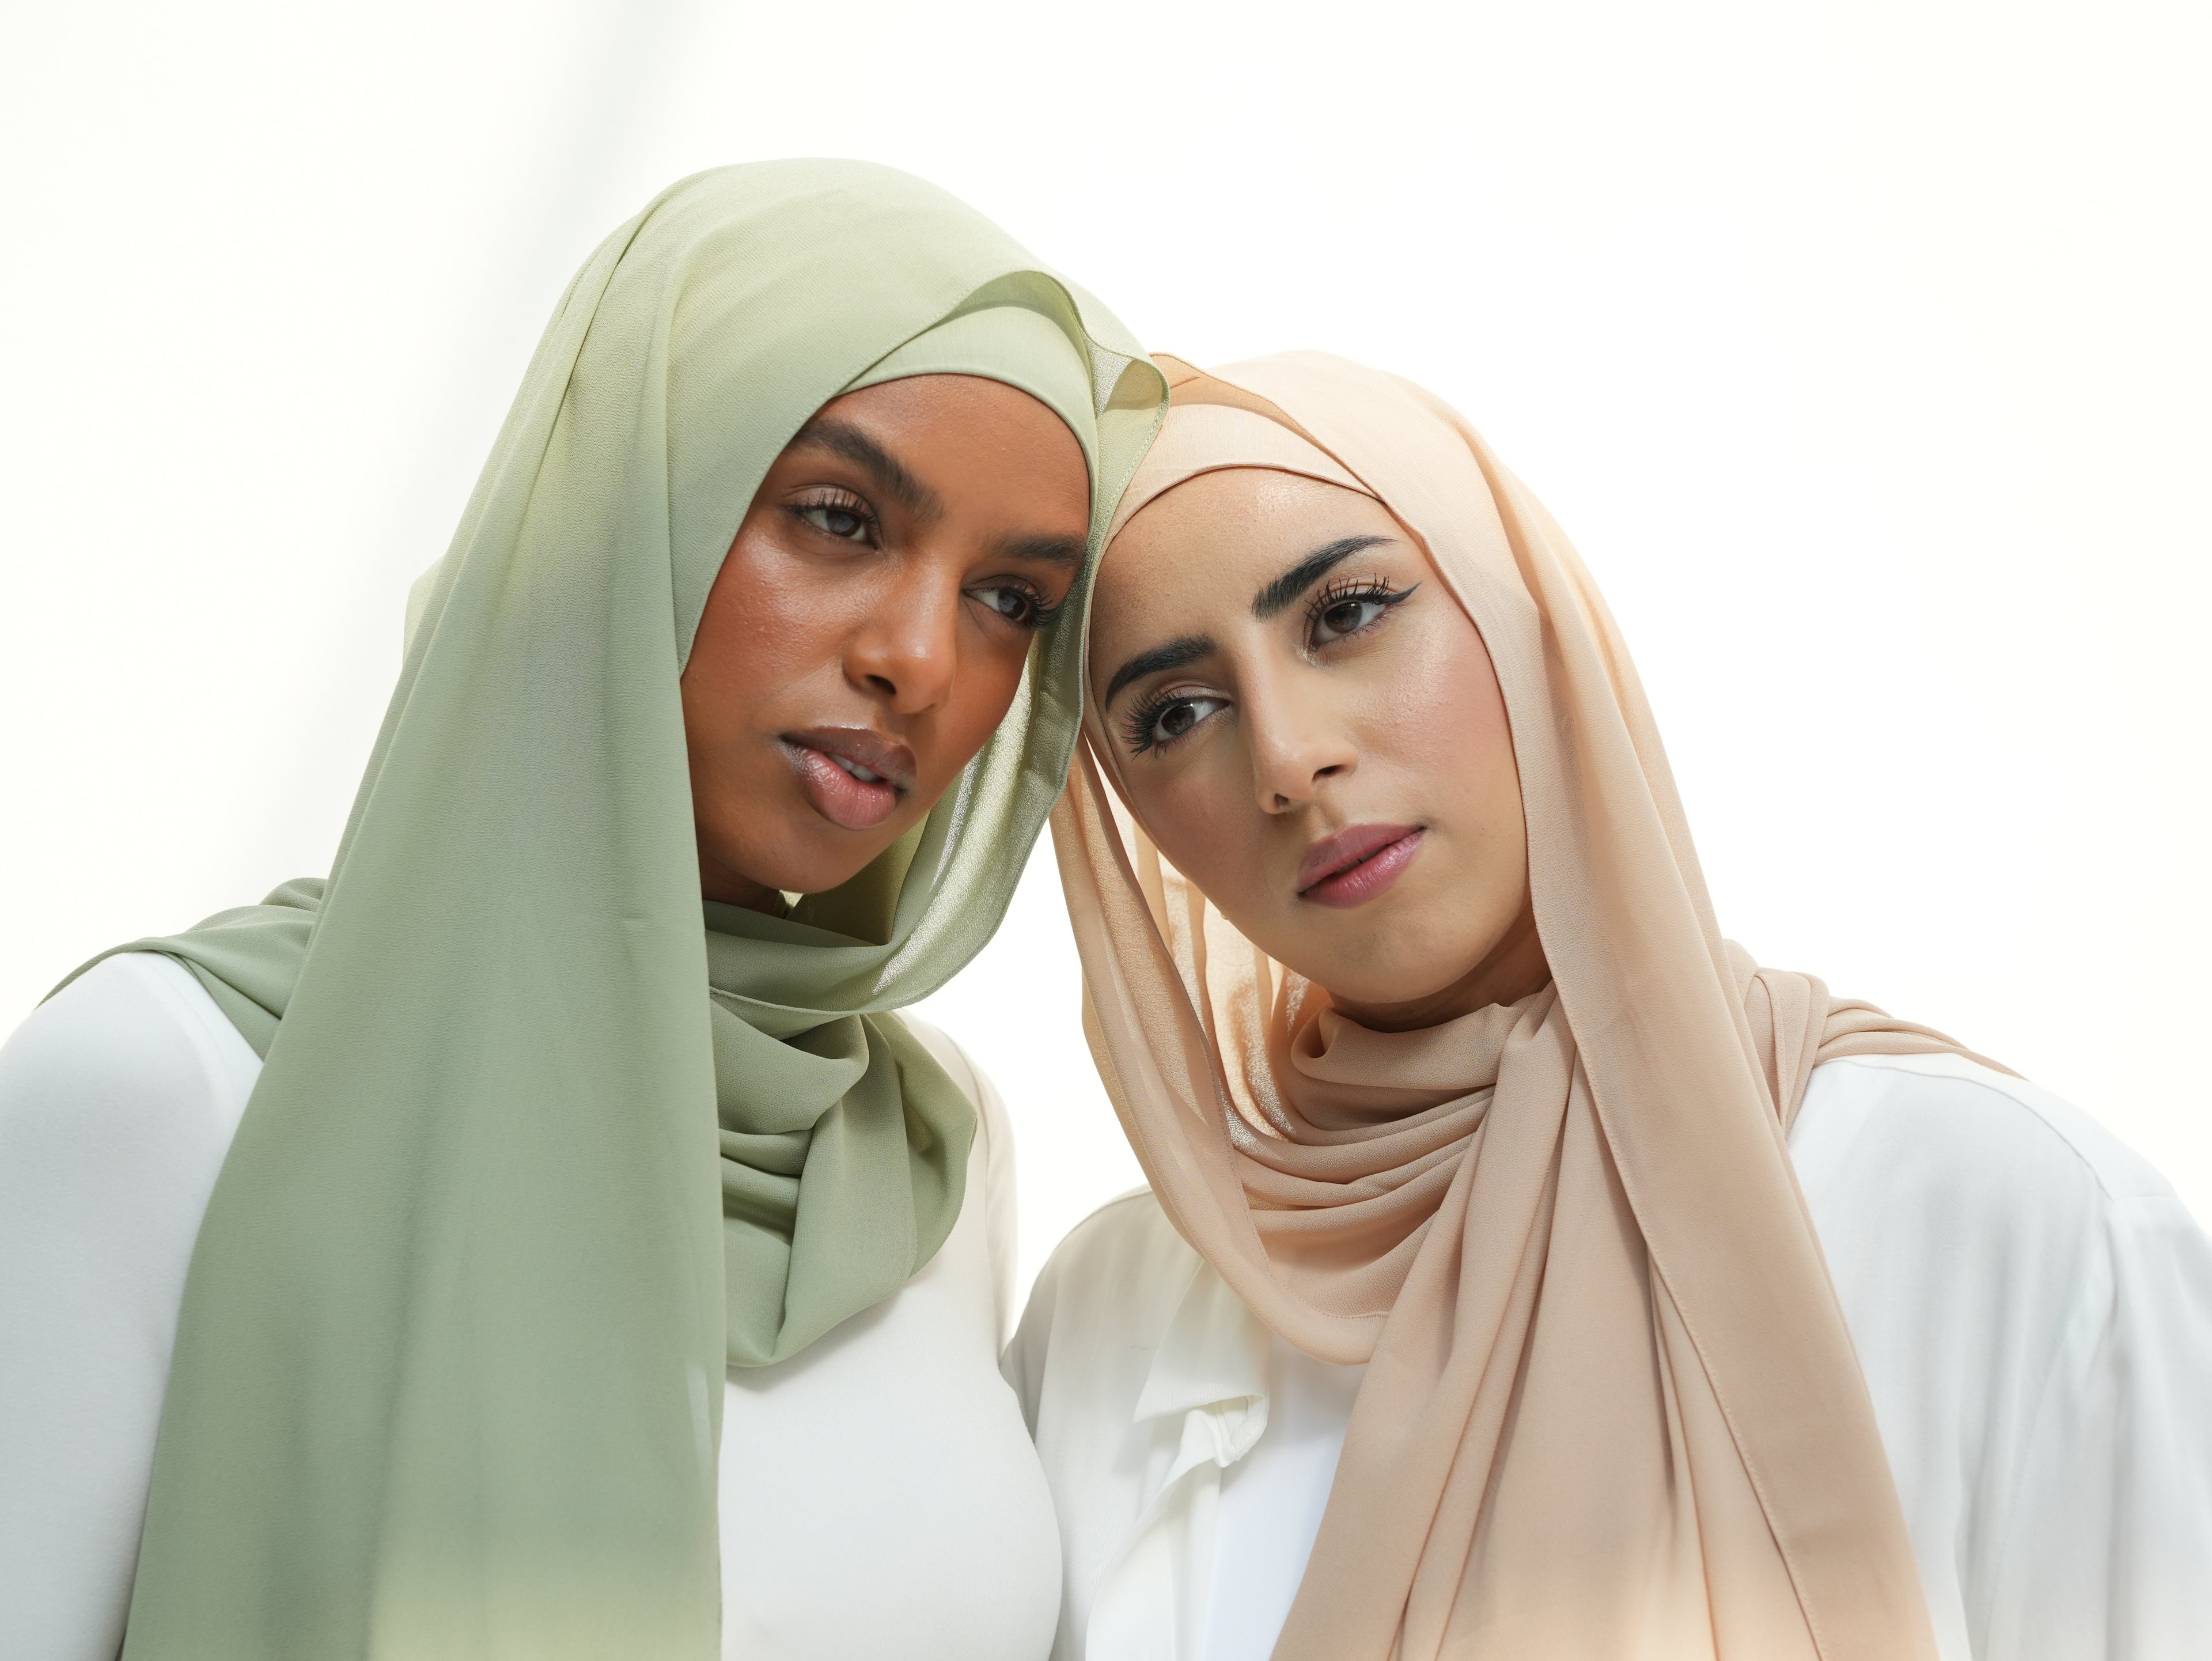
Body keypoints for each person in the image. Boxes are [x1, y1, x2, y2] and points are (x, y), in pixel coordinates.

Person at [0, 161, 1165, 1661]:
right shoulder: (169, 1081)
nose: (922, 657)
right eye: (838, 516)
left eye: (1012, 598)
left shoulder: (928, 1156)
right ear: (622, 506)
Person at [1010, 351, 2212, 1661]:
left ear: (1523, 617)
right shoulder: (1108, 1312)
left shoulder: (2004, 1215)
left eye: (1347, 612)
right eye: (1175, 711)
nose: (1290, 757)